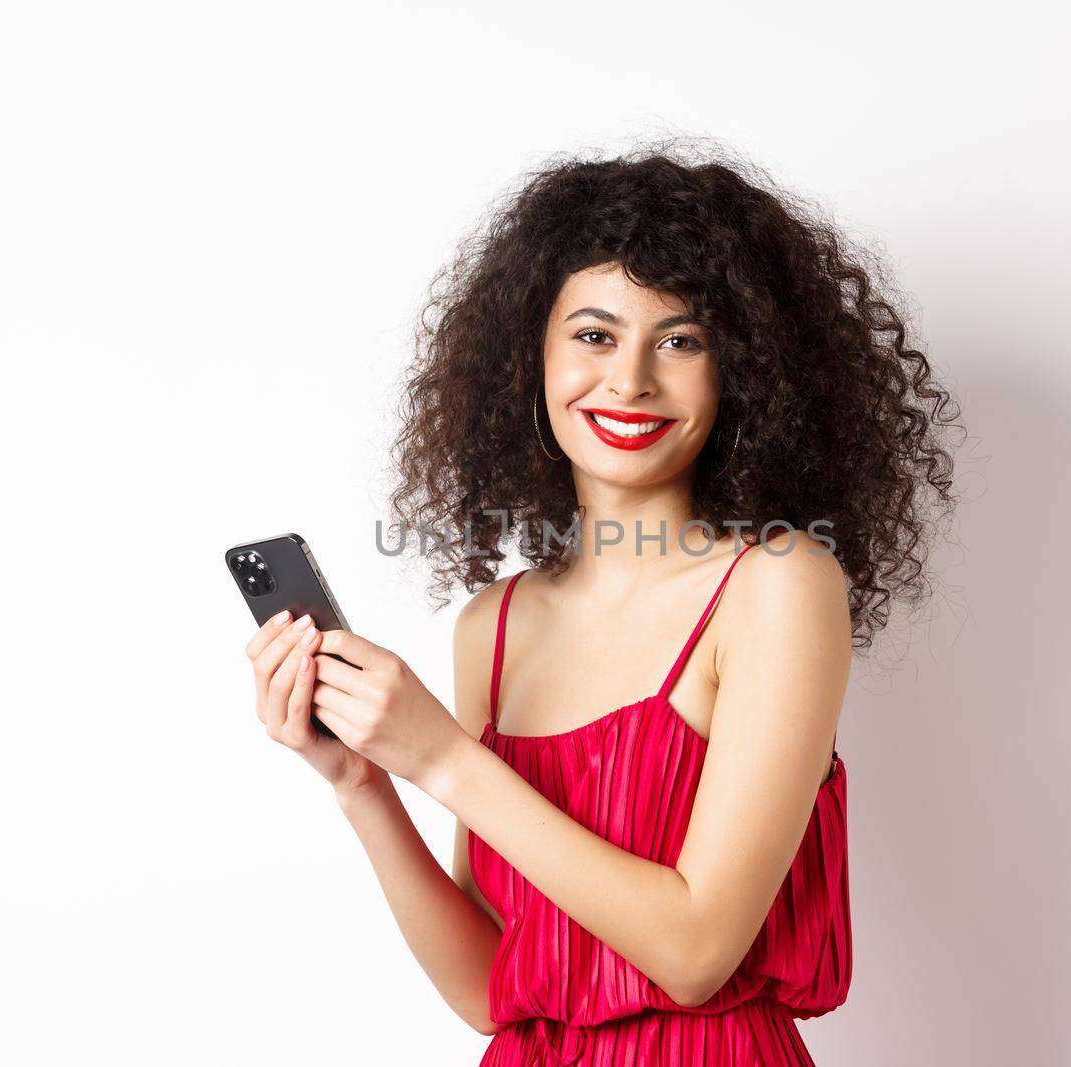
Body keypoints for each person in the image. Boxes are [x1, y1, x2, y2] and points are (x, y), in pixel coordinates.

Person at [243, 139, 962, 1064]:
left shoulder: (777, 583)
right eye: (594, 334)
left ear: (741, 370)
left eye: (681, 339)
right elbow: (490, 992)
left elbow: (697, 952)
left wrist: (444, 760)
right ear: (527, 359)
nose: (630, 380)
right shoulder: (492, 628)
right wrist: (364, 780)